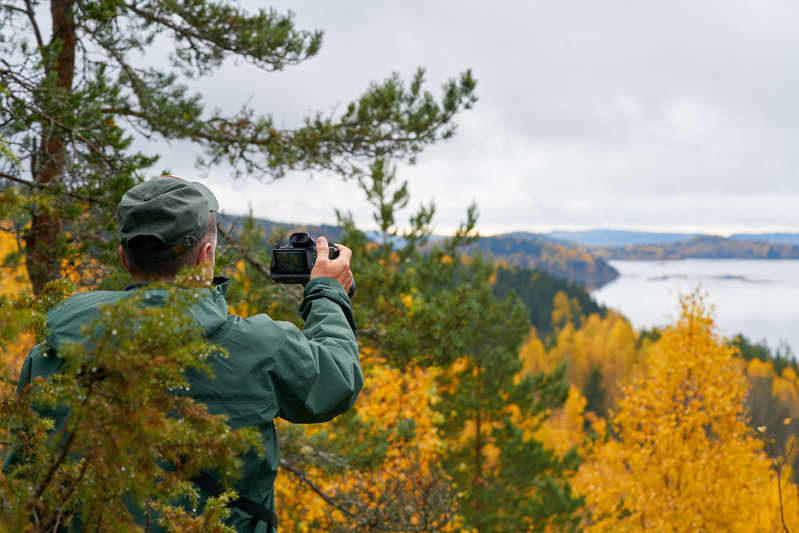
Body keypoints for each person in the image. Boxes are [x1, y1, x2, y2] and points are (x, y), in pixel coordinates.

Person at [13, 176, 362, 532]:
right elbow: (338, 377)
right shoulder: (258, 347)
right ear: (206, 256)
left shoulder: (48, 354)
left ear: (124, 257)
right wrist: (327, 293)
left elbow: (19, 485)